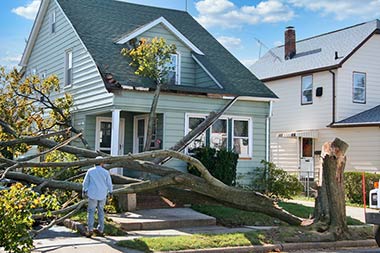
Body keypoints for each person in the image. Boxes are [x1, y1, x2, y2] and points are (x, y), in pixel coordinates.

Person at [82, 156, 113, 237]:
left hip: (92, 194)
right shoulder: (106, 172)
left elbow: (85, 182)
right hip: (102, 194)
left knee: (91, 211)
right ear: (102, 163)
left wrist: (84, 190)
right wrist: (110, 192)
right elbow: (109, 183)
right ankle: (101, 229)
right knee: (101, 211)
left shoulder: (90, 171)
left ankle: (90, 229)